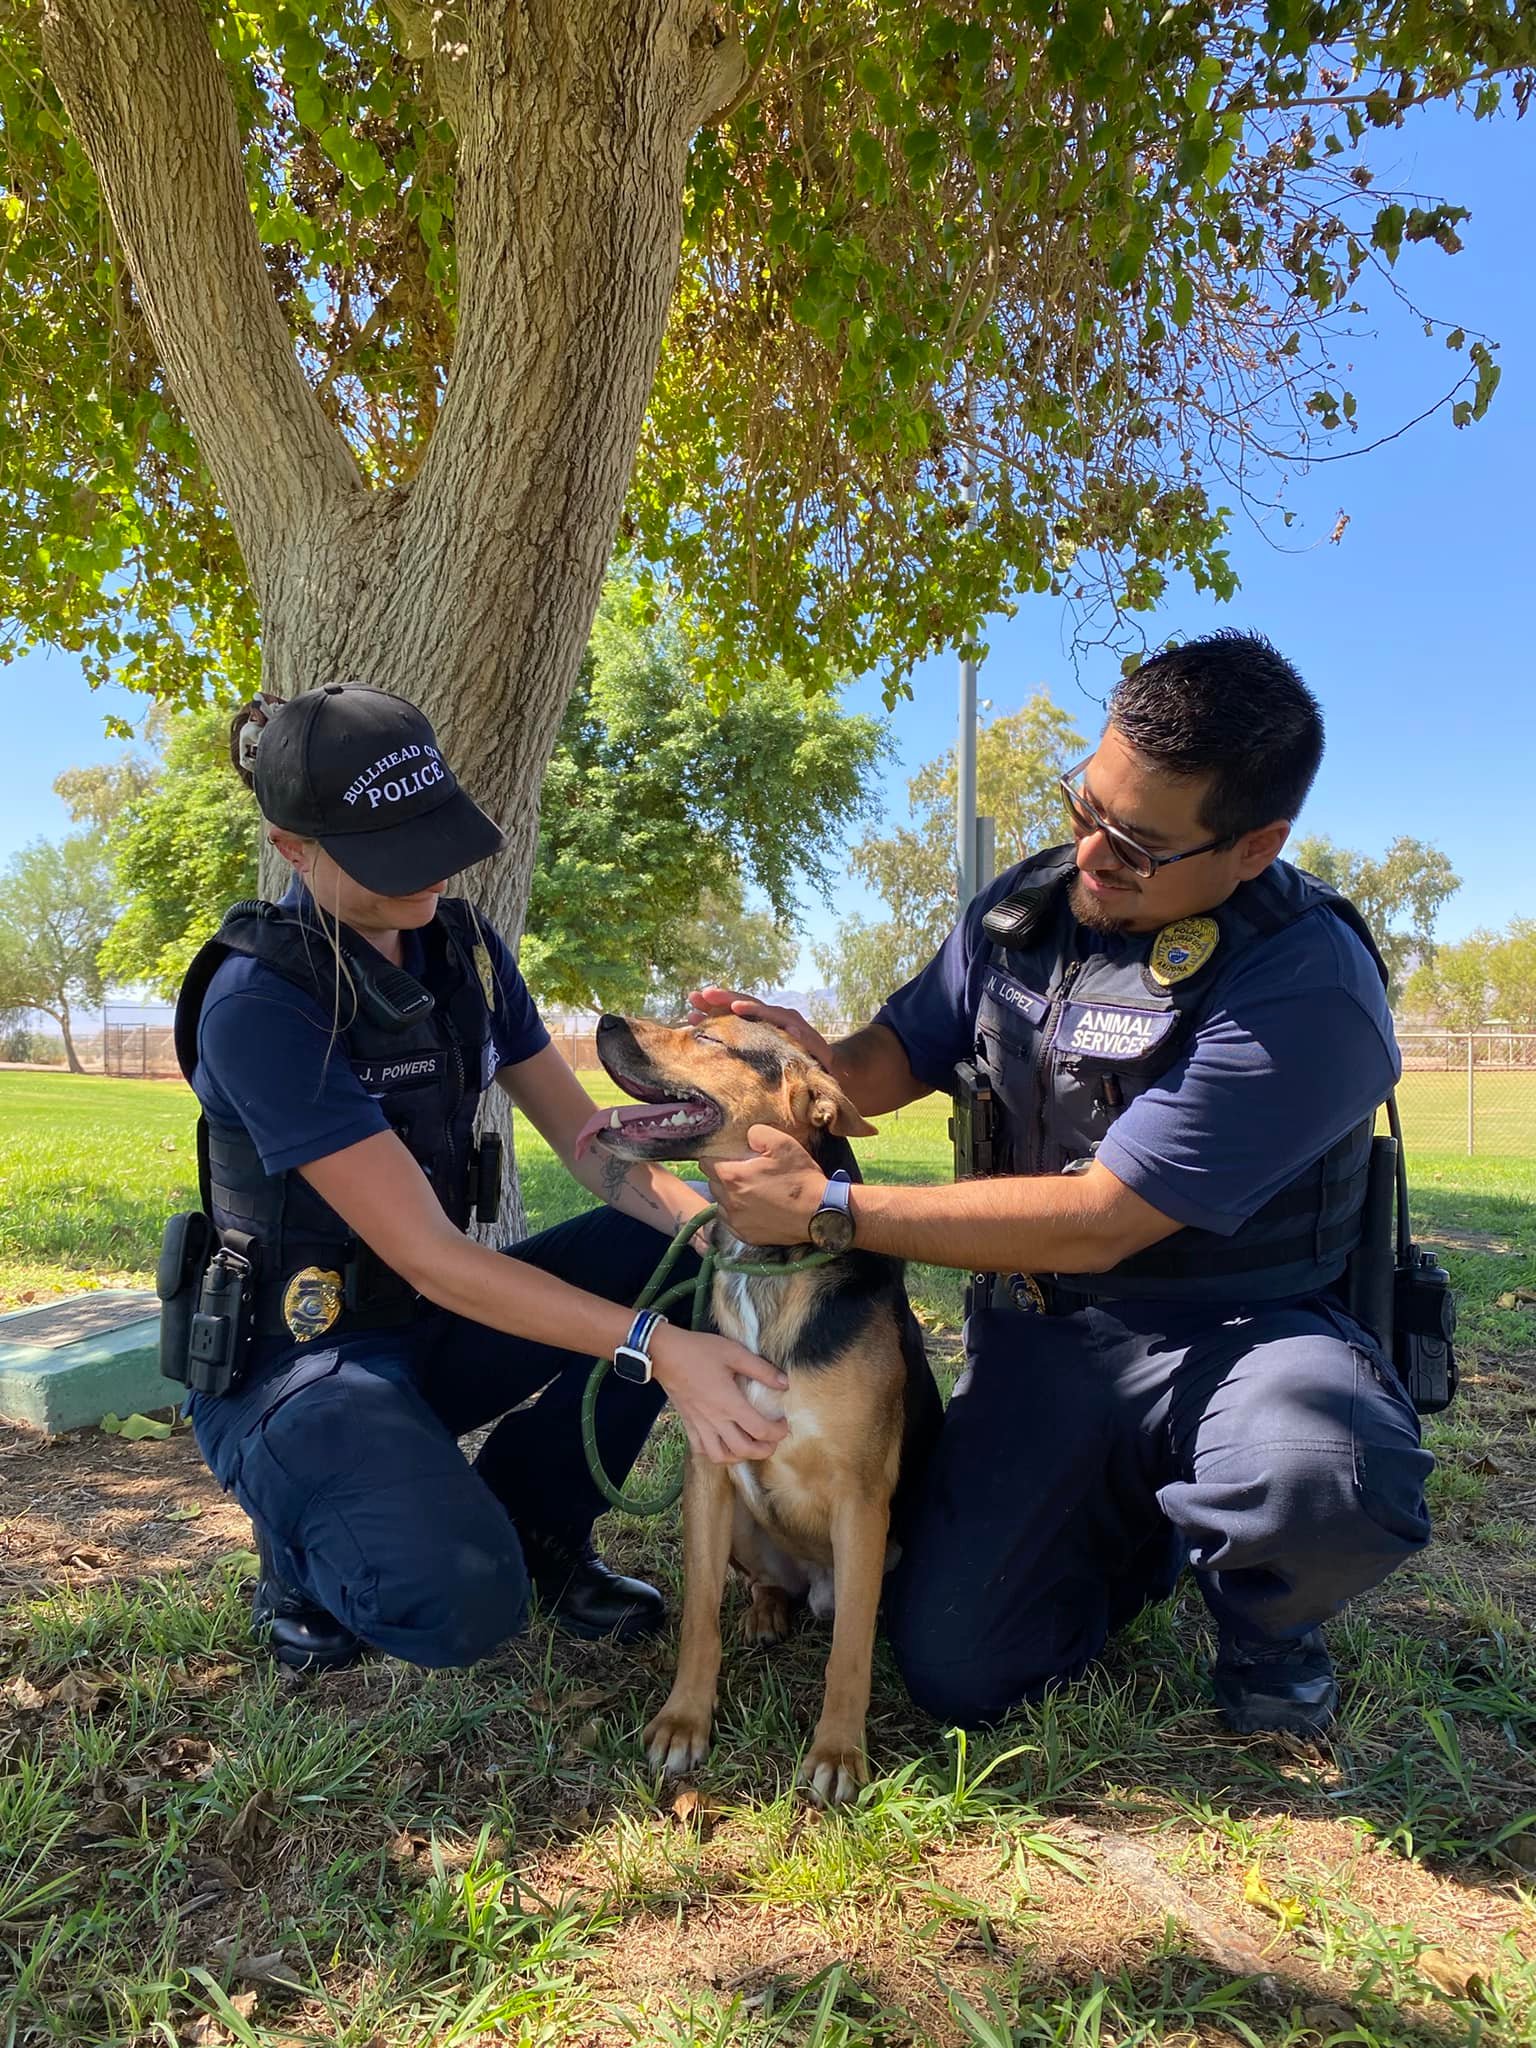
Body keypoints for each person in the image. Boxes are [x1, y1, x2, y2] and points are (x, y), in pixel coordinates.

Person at [690, 632, 1432, 1738]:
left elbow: (1104, 1219)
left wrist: (833, 1209)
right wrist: (812, 1065)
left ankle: (1269, 1623)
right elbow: (900, 1049)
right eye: (1086, 807)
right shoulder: (1029, 908)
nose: (1091, 854)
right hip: (1048, 1341)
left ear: (1253, 844)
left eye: (1135, 846)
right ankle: (1137, 1529)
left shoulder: (1306, 980)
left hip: (1237, 1334)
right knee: (957, 1665)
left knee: (1314, 1464)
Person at [173, 682, 789, 1672]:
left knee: (677, 1253)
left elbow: (589, 1137)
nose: (431, 869)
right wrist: (656, 1345)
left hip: (427, 1327)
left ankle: (543, 1519)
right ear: (295, 849)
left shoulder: (464, 949)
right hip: (297, 1360)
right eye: (390, 851)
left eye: (433, 830)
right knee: (458, 1600)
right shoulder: (262, 1001)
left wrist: (716, 1234)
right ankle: (298, 1549)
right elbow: (430, 1251)